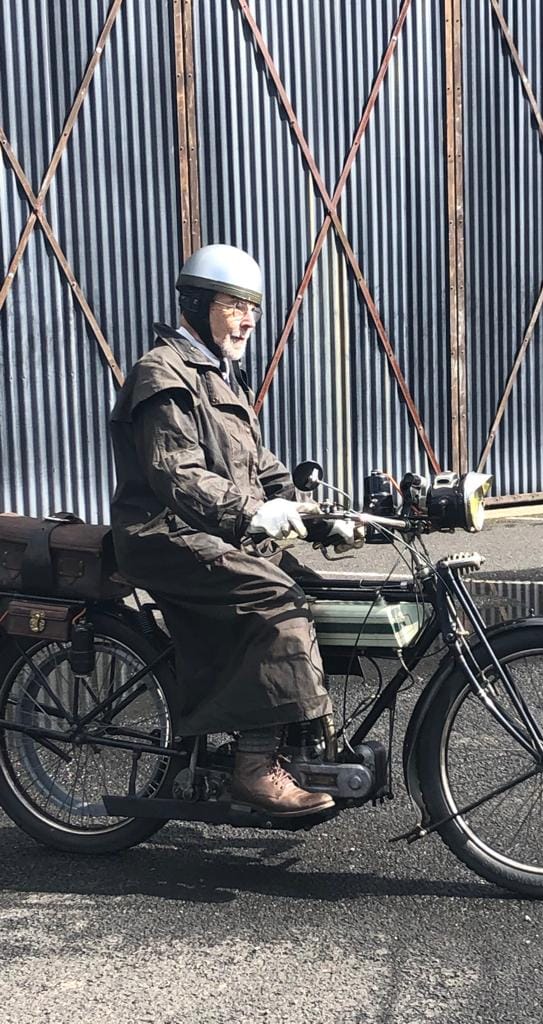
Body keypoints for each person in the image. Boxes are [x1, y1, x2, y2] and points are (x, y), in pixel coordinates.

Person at [109, 243, 361, 817]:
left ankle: (298, 735)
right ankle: (253, 767)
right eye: (235, 306)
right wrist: (249, 515)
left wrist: (323, 516)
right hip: (164, 533)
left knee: (321, 591)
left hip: (214, 530)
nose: (248, 320)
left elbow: (261, 468)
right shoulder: (162, 373)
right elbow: (177, 473)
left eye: (254, 308)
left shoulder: (222, 376)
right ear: (198, 305)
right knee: (276, 599)